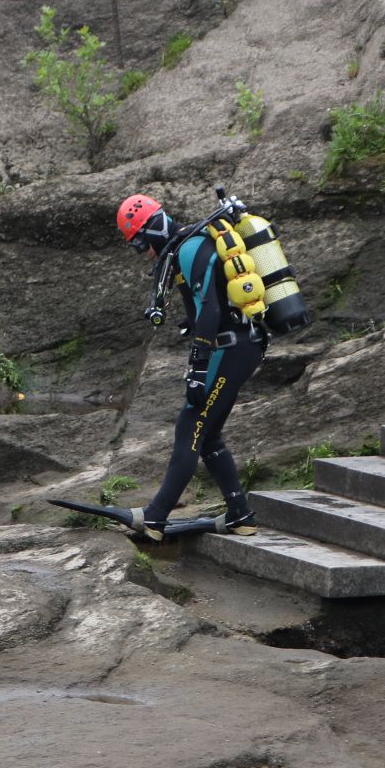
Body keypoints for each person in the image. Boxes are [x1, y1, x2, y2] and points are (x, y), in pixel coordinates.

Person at [112, 193, 261, 540]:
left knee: (188, 427)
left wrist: (197, 368)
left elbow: (209, 311)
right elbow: (208, 307)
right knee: (208, 437)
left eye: (140, 246)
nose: (144, 254)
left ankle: (155, 517)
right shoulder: (188, 247)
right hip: (241, 345)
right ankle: (240, 514)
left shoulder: (192, 247)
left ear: (153, 230)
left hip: (232, 349)